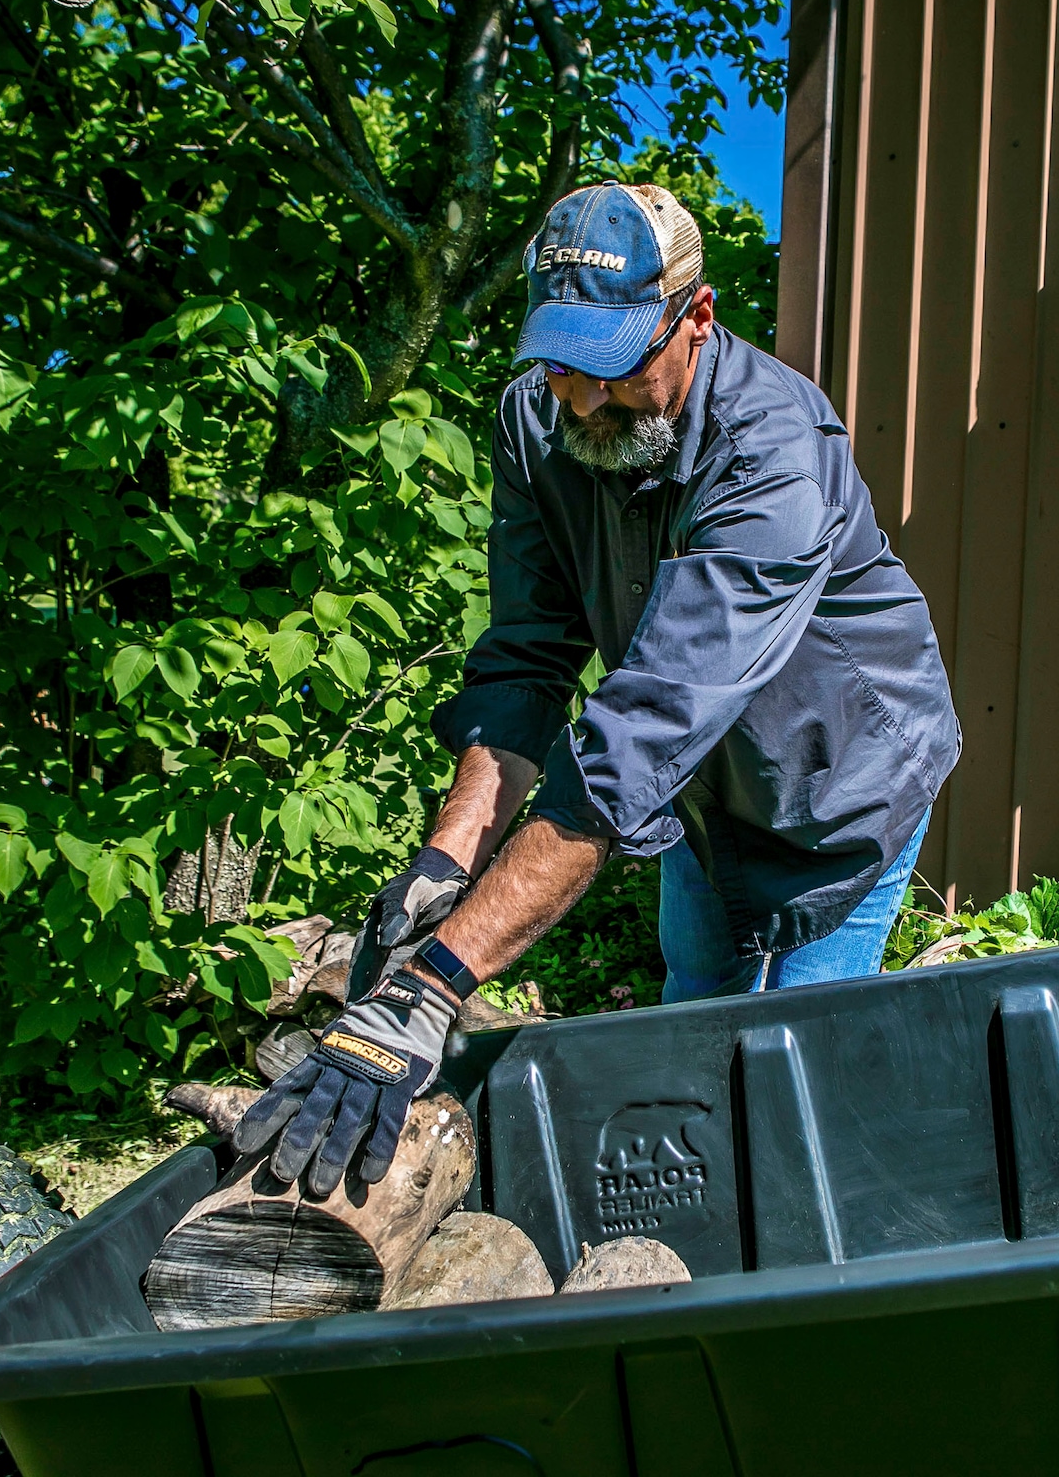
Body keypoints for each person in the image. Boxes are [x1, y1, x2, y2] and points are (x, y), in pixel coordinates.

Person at [237, 182, 961, 1194]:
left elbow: (640, 737)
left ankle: (795, 1261)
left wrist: (439, 984)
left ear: (694, 320)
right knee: (691, 1024)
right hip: (703, 792)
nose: (581, 398)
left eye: (613, 368)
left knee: (792, 1056)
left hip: (842, 782)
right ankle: (692, 1237)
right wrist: (447, 863)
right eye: (563, 361)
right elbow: (531, 652)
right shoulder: (540, 424)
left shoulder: (774, 453)